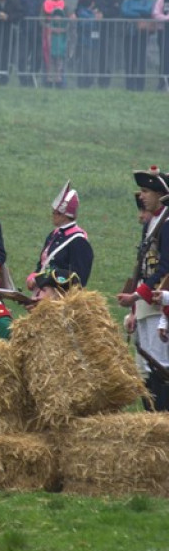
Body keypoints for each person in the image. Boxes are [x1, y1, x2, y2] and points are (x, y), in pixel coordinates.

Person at [117, 167, 169, 412]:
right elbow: (143, 267)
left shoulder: (166, 224)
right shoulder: (152, 223)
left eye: (147, 191)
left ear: (160, 194)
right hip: (147, 304)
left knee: (160, 367)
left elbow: (165, 268)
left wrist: (137, 296)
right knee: (146, 368)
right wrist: (135, 310)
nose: (142, 196)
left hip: (160, 305)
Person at [25, 181, 93, 292]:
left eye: (55, 213)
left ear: (64, 215)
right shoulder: (54, 235)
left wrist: (41, 279)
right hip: (43, 292)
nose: (53, 215)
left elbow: (78, 278)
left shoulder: (79, 241)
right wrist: (33, 277)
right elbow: (44, 264)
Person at [0, 268, 81, 341]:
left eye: (42, 290)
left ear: (59, 296)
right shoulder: (68, 322)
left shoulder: (56, 325)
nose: (34, 298)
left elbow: (14, 339)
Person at [72, 0, 118, 89]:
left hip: (105, 30)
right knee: (86, 56)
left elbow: (116, 11)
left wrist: (104, 14)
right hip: (87, 32)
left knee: (104, 56)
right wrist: (74, 14)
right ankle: (85, 82)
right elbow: (78, 9)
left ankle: (103, 83)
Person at [121, 0, 154, 92]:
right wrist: (139, 15)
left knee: (140, 60)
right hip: (129, 34)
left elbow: (148, 10)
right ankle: (129, 86)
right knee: (129, 60)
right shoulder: (127, 1)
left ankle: (140, 86)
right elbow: (124, 11)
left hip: (142, 34)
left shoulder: (147, 1)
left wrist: (133, 12)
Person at [17, 0, 47, 86]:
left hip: (40, 32)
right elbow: (20, 11)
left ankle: (32, 77)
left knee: (38, 57)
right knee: (23, 56)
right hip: (26, 31)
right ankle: (22, 79)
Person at [43, 0, 68, 88]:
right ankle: (48, 80)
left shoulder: (65, 6)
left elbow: (68, 22)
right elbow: (42, 19)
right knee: (49, 63)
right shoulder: (45, 5)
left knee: (59, 64)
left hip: (61, 47)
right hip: (50, 45)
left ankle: (59, 81)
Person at [152, 0, 169, 91]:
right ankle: (162, 81)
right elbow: (155, 13)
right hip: (163, 32)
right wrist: (167, 18)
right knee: (164, 57)